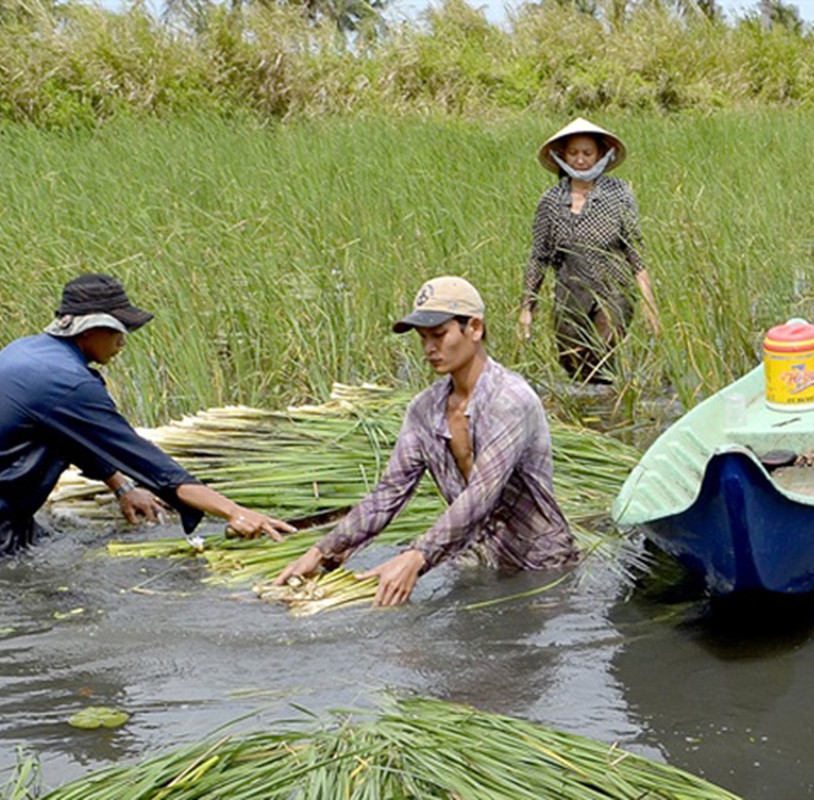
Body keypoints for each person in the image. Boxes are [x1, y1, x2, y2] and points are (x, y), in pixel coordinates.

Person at [0, 273, 294, 565]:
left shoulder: (31, 352)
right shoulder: (67, 383)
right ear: (89, 330)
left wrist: (121, 487)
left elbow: (71, 437)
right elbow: (149, 463)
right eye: (118, 329)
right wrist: (234, 512)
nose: (123, 340)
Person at [274, 276, 580, 606]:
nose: (429, 348)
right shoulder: (424, 409)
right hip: (477, 564)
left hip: (541, 571)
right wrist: (323, 551)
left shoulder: (510, 400)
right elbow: (389, 492)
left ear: (474, 328)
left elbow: (481, 495)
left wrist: (417, 556)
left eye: (439, 335)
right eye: (423, 338)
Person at [518, 117, 661, 383]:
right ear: (562, 156)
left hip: (613, 291)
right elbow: (538, 257)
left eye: (587, 153)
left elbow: (635, 252)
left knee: (601, 356)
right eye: (573, 153)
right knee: (575, 367)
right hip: (571, 294)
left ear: (599, 156)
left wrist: (649, 304)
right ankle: (587, 419)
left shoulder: (618, 193)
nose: (580, 160)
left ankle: (610, 416)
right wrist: (527, 308)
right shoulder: (551, 200)